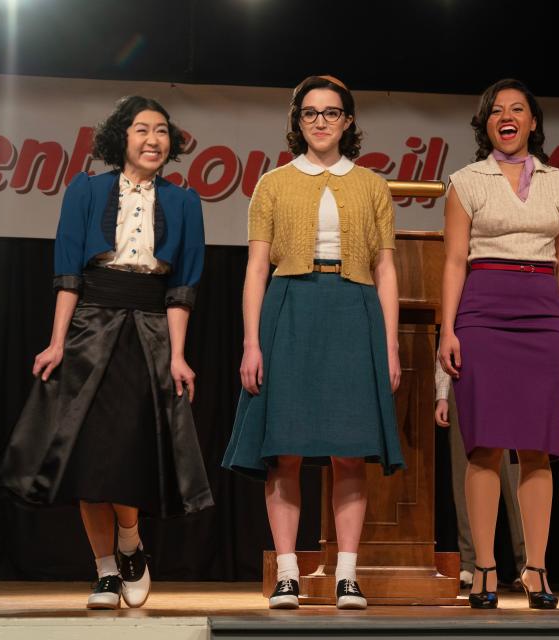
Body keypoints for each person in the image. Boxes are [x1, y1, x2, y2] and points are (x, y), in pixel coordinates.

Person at [0, 96, 212, 609]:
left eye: (162, 130)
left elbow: (182, 288)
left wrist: (178, 355)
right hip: (92, 328)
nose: (153, 139)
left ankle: (131, 544)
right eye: (141, 129)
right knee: (88, 459)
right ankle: (106, 571)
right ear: (121, 138)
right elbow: (69, 274)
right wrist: (56, 342)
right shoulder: (85, 191)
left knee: (125, 454)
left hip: (149, 332)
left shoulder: (184, 203)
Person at [222, 75, 404, 611]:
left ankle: (347, 574)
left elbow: (385, 268)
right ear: (297, 121)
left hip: (353, 310)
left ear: (348, 121)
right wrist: (251, 343)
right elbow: (256, 268)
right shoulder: (274, 183)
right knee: (285, 453)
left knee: (350, 454)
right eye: (310, 113)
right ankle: (287, 574)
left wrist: (390, 345)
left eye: (331, 113)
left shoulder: (371, 185)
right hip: (291, 308)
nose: (320, 122)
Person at [439, 78, 559, 610]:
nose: (507, 116)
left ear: (532, 122)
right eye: (497, 110)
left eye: (517, 109)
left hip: (543, 312)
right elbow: (454, 260)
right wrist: (448, 328)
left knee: (537, 447)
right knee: (484, 446)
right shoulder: (465, 180)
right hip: (482, 309)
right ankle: (484, 566)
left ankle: (536, 567)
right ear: (486, 124)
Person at [435, 359, 527, 591]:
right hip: (466, 373)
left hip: (510, 371)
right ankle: (471, 560)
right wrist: (443, 393)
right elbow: (448, 337)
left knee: (515, 469)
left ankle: (527, 562)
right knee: (466, 469)